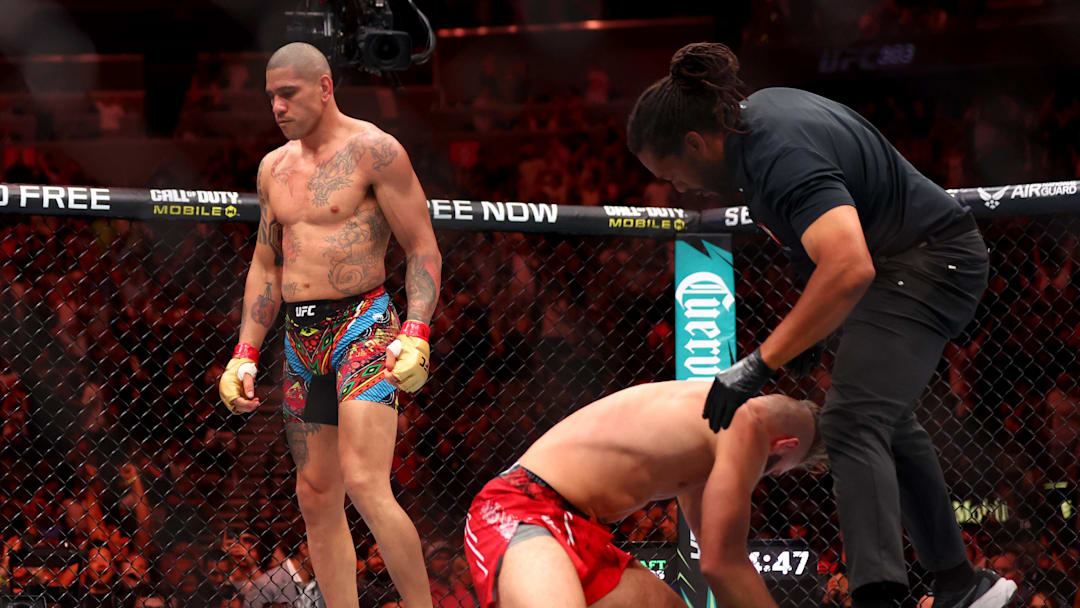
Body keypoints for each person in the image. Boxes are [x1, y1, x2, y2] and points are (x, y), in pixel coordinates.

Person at [626, 42, 1014, 608]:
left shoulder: (778, 152)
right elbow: (827, 257)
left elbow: (849, 266)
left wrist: (758, 364)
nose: (676, 187)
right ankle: (961, 584)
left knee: (853, 420)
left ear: (693, 143)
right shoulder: (755, 133)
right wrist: (804, 345)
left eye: (670, 172)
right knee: (886, 419)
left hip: (926, 260)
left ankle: (877, 596)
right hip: (900, 263)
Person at [217, 42, 441, 608]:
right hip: (301, 336)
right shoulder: (274, 167)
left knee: (365, 482)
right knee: (316, 493)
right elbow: (266, 264)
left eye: (287, 94)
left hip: (364, 325)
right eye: (270, 96)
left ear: (324, 87)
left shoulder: (375, 151)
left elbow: (422, 249)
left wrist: (416, 332)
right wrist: (244, 351)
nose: (277, 107)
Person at [463, 383, 825, 608]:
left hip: (582, 531)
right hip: (521, 509)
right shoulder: (744, 425)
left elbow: (715, 556)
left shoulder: (714, 419)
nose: (766, 474)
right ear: (785, 445)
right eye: (776, 468)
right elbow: (724, 564)